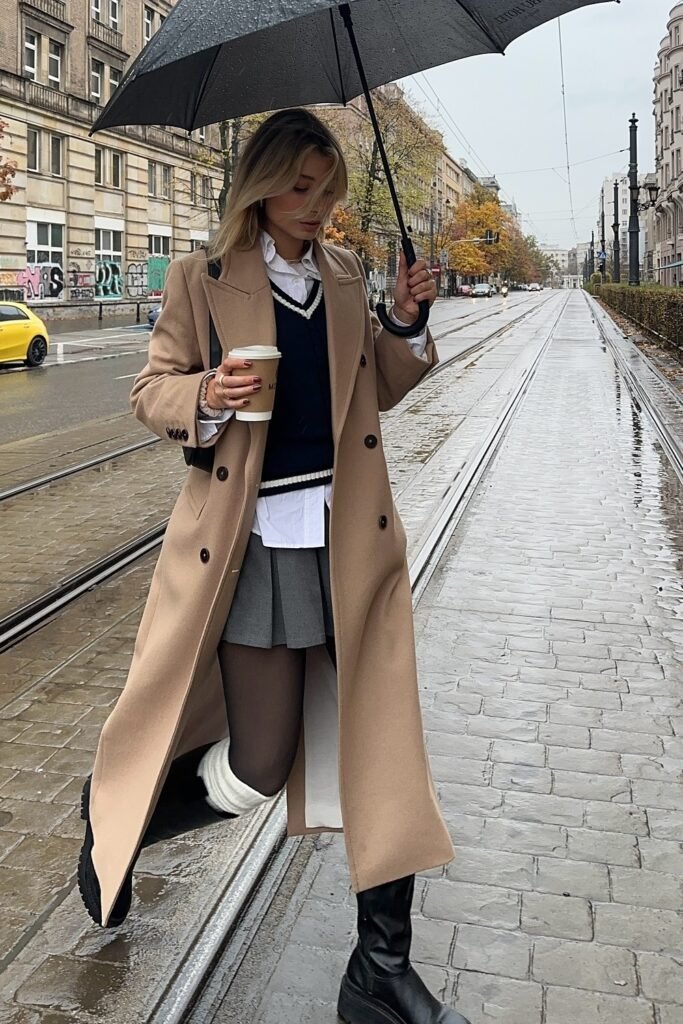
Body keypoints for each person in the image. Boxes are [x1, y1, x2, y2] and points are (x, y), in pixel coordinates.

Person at [77, 109, 469, 1024]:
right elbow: (151, 390)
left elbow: (373, 382)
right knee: (259, 765)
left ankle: (380, 971)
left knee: (386, 754)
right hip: (249, 551)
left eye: (328, 190)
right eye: (300, 186)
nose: (317, 207)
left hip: (349, 545)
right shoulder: (200, 279)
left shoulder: (342, 276)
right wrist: (205, 394)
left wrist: (405, 320)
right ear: (259, 182)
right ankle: (119, 817)